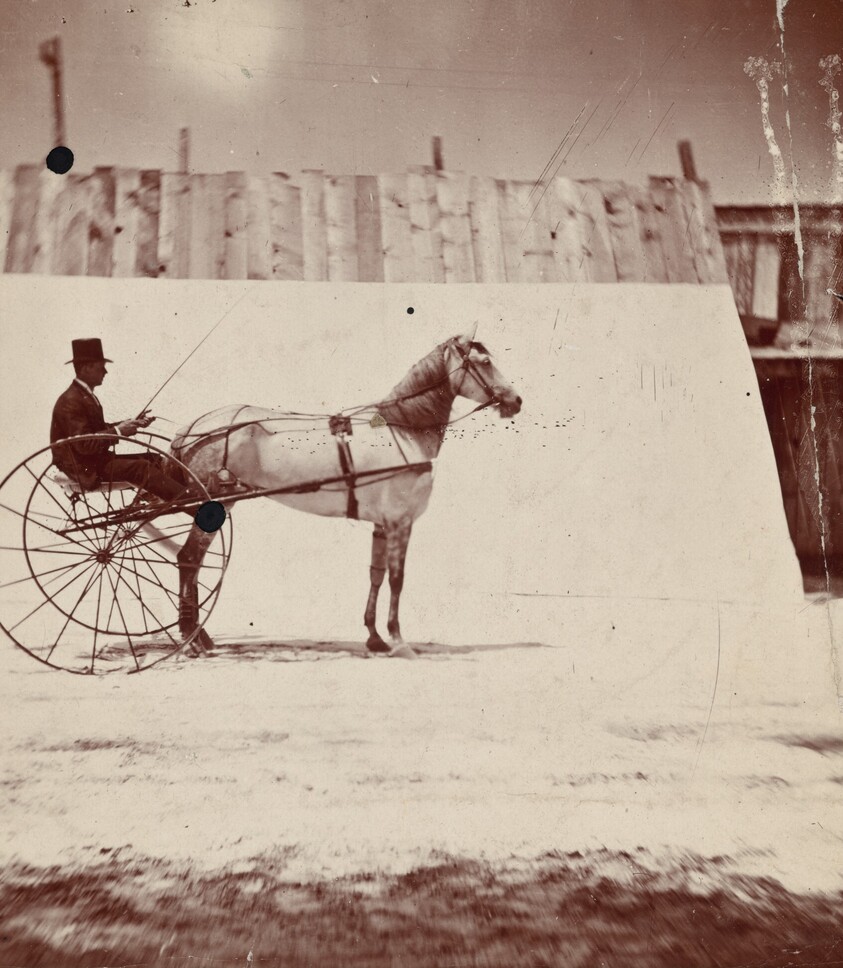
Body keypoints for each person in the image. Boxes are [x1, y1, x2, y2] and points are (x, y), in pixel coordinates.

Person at [50, 338, 196, 506]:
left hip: (93, 462)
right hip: (82, 468)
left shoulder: (83, 395)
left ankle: (155, 498)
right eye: (101, 367)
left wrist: (131, 423)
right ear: (86, 368)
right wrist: (119, 431)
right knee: (141, 468)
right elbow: (84, 444)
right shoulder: (71, 400)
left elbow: (96, 431)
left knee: (155, 459)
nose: (105, 372)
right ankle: (196, 506)